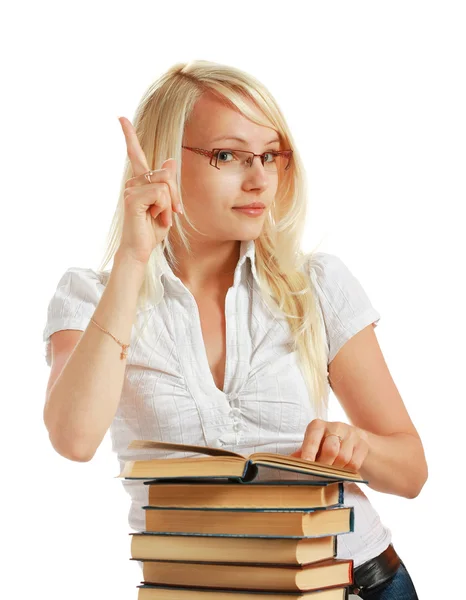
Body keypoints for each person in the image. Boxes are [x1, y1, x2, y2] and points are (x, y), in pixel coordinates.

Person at [42, 60, 426, 599]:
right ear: (163, 161)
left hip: (351, 581)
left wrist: (356, 445)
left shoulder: (316, 286)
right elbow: (74, 438)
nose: (259, 178)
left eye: (270, 156)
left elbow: (411, 472)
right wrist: (134, 257)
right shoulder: (92, 295)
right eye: (228, 155)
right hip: (199, 589)